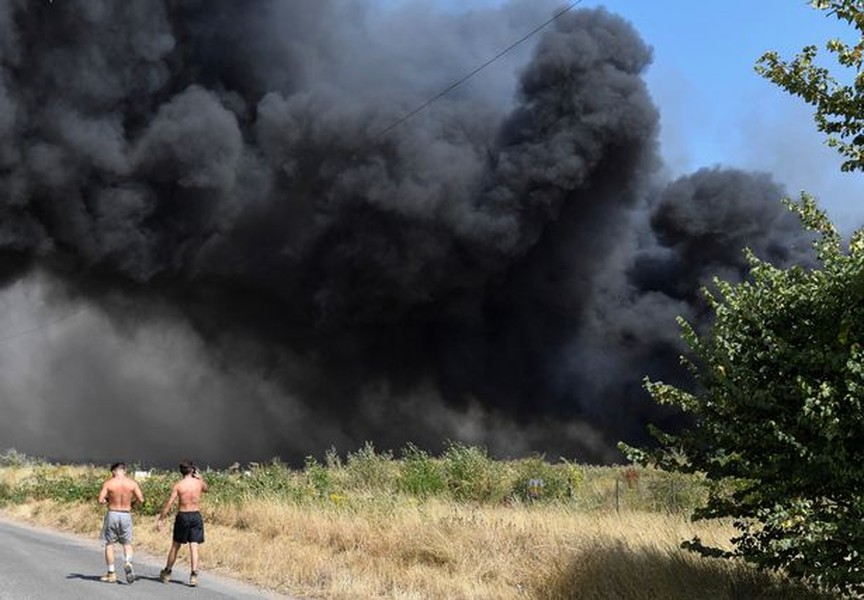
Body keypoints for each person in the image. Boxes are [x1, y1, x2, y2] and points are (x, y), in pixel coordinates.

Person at [156, 460, 208, 587]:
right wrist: (200, 477)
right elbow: (206, 489)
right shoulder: (199, 483)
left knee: (175, 546)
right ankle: (194, 575)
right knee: (194, 545)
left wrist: (161, 518)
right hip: (195, 515)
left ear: (181, 471)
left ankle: (167, 572)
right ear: (192, 470)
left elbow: (169, 503)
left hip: (183, 515)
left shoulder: (179, 485)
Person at [97, 461, 144, 584]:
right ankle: (128, 562)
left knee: (109, 544)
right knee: (127, 543)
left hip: (113, 513)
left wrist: (109, 500)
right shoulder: (132, 483)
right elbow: (141, 499)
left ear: (113, 471)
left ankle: (111, 573)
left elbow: (100, 500)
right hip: (126, 514)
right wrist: (132, 504)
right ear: (124, 470)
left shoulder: (109, 483)